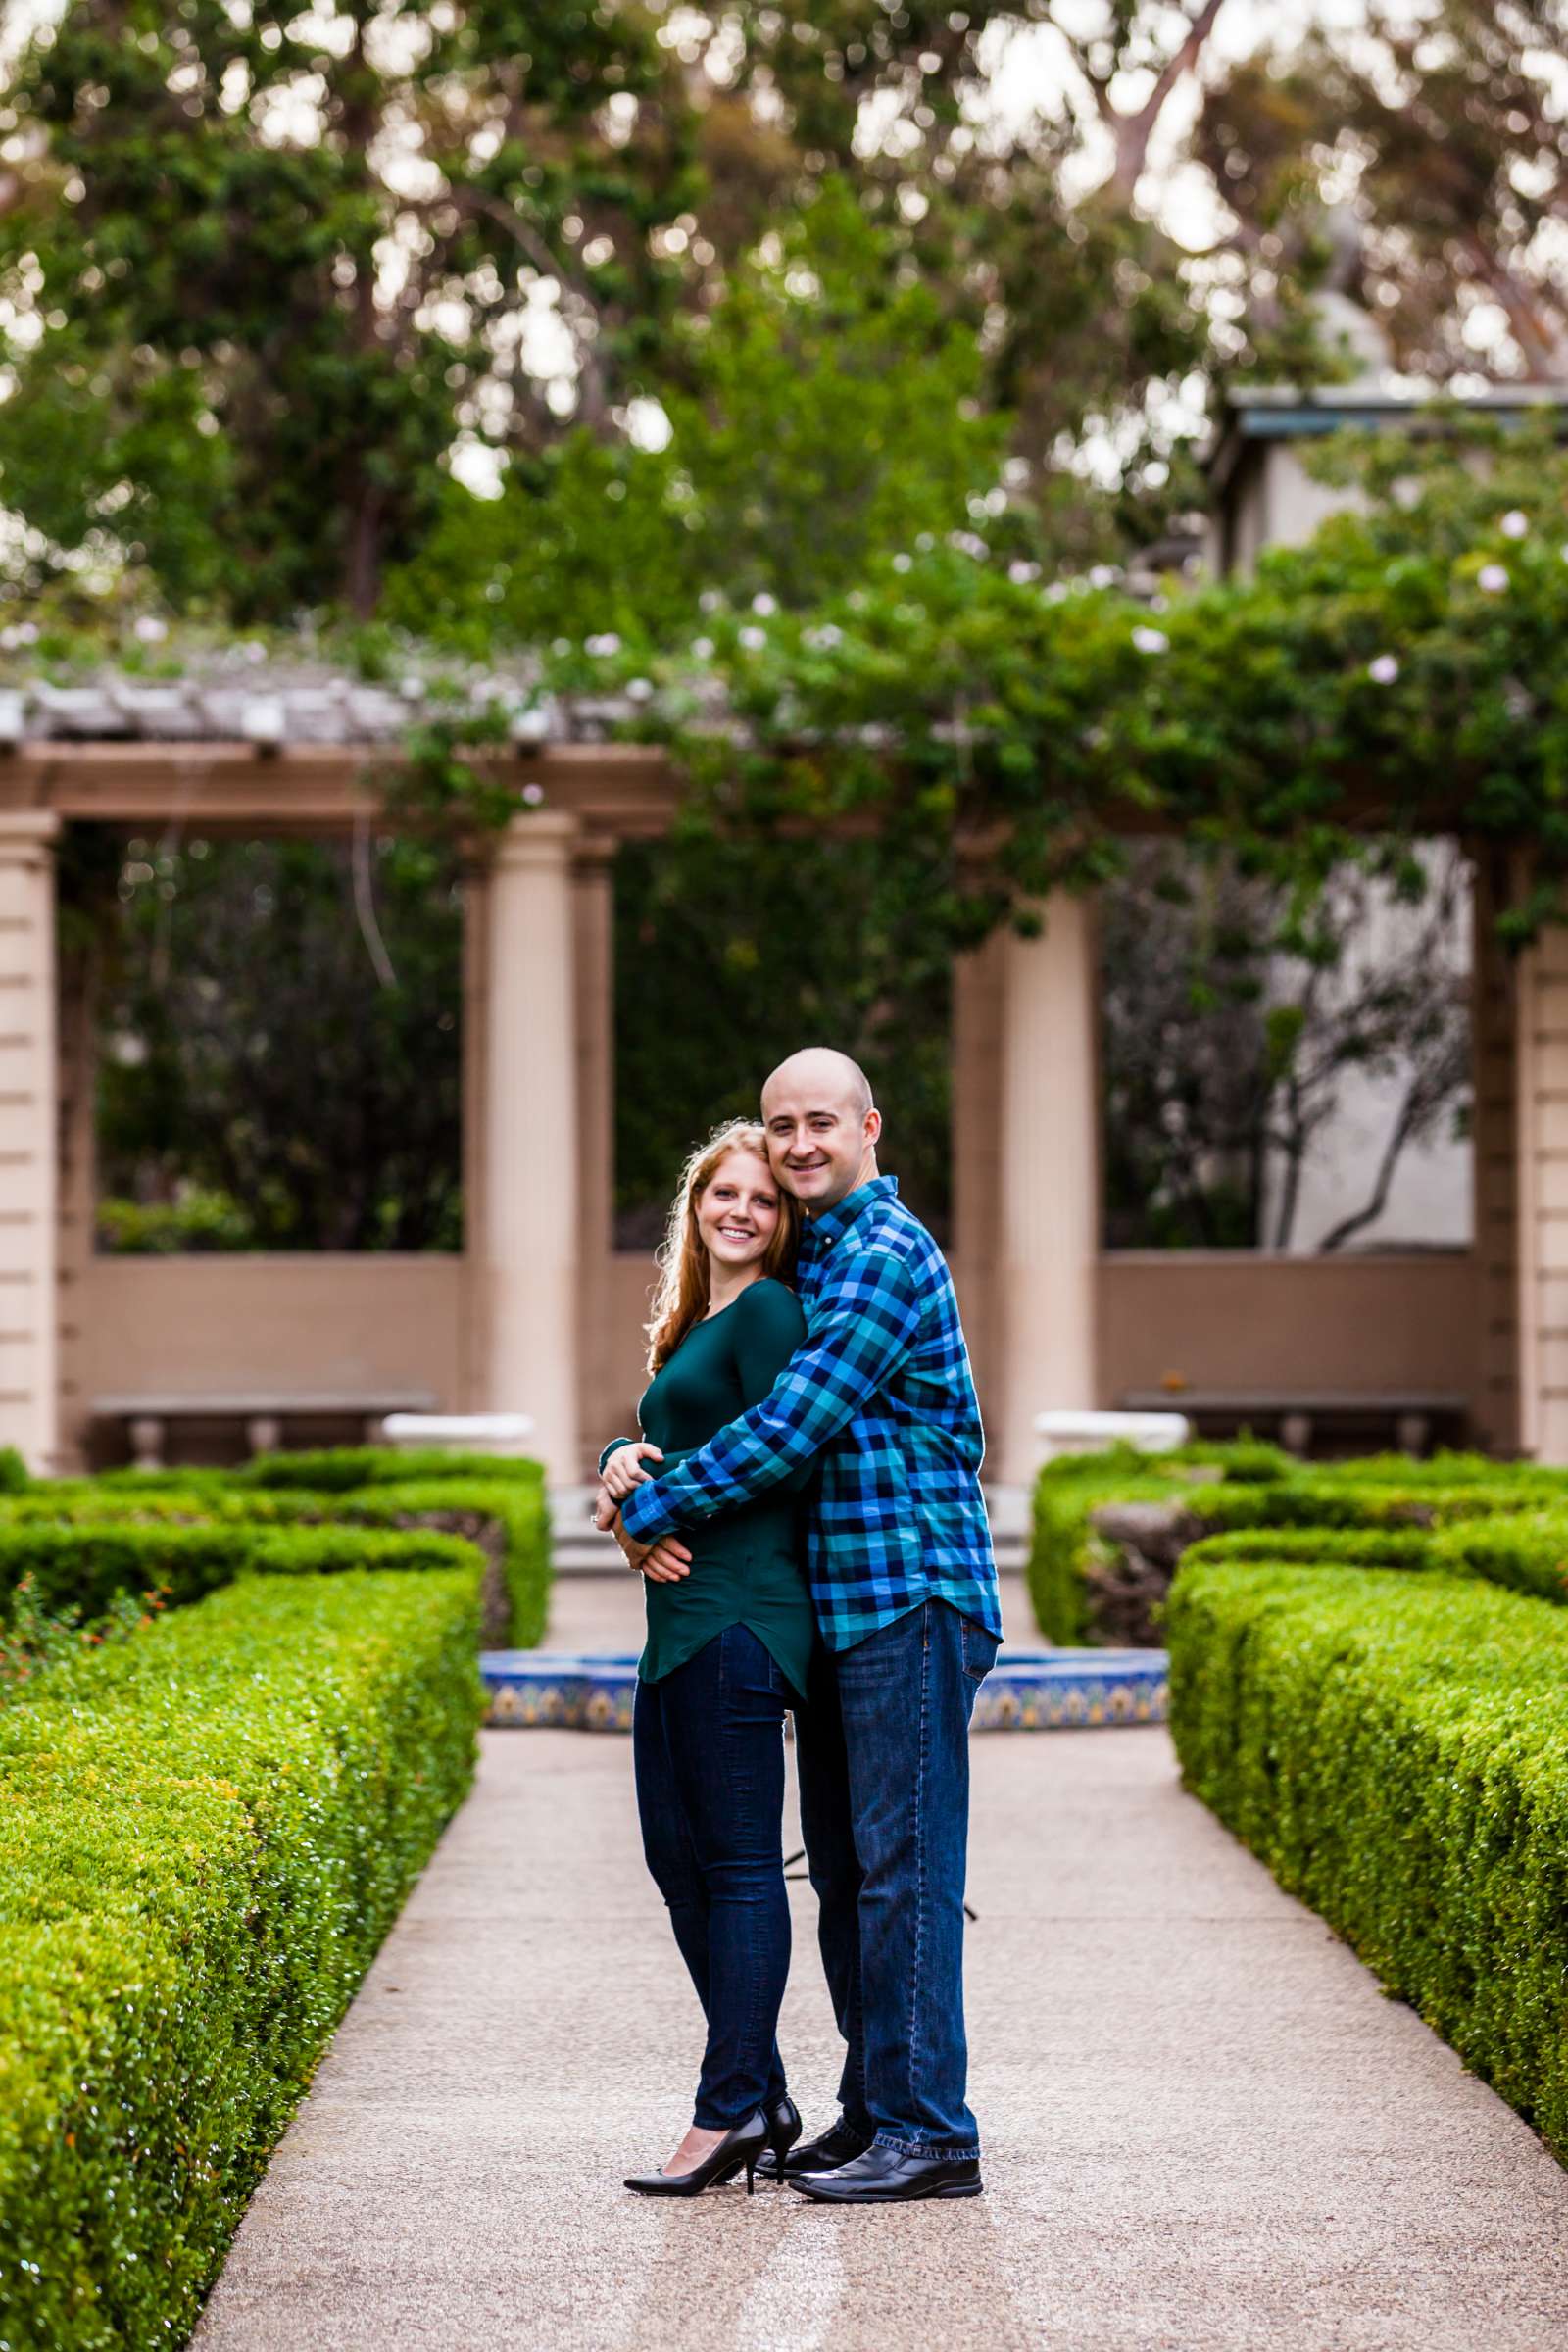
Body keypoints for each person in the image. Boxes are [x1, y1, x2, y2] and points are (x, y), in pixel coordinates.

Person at [599, 1048, 1004, 2206]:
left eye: (818, 1121)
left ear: (869, 1124)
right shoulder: (819, 1254)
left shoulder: (879, 1253)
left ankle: (932, 2132)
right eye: (781, 1125)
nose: (796, 1143)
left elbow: (792, 1424)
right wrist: (626, 1468)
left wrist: (645, 1507)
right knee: (844, 1868)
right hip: (843, 1611)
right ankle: (875, 2111)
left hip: (911, 1596)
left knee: (901, 1873)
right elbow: (725, 1403)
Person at [601, 1119, 819, 2199]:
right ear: (695, 1206)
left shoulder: (772, 1309)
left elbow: (786, 1455)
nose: (738, 1210)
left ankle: (728, 2105)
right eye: (721, 1193)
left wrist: (649, 1499)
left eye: (762, 1198)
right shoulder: (699, 1318)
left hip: (739, 1615)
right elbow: (661, 1439)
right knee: (674, 1859)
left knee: (734, 1865)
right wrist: (615, 1465)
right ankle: (764, 2090)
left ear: (784, 1221)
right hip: (677, 1628)